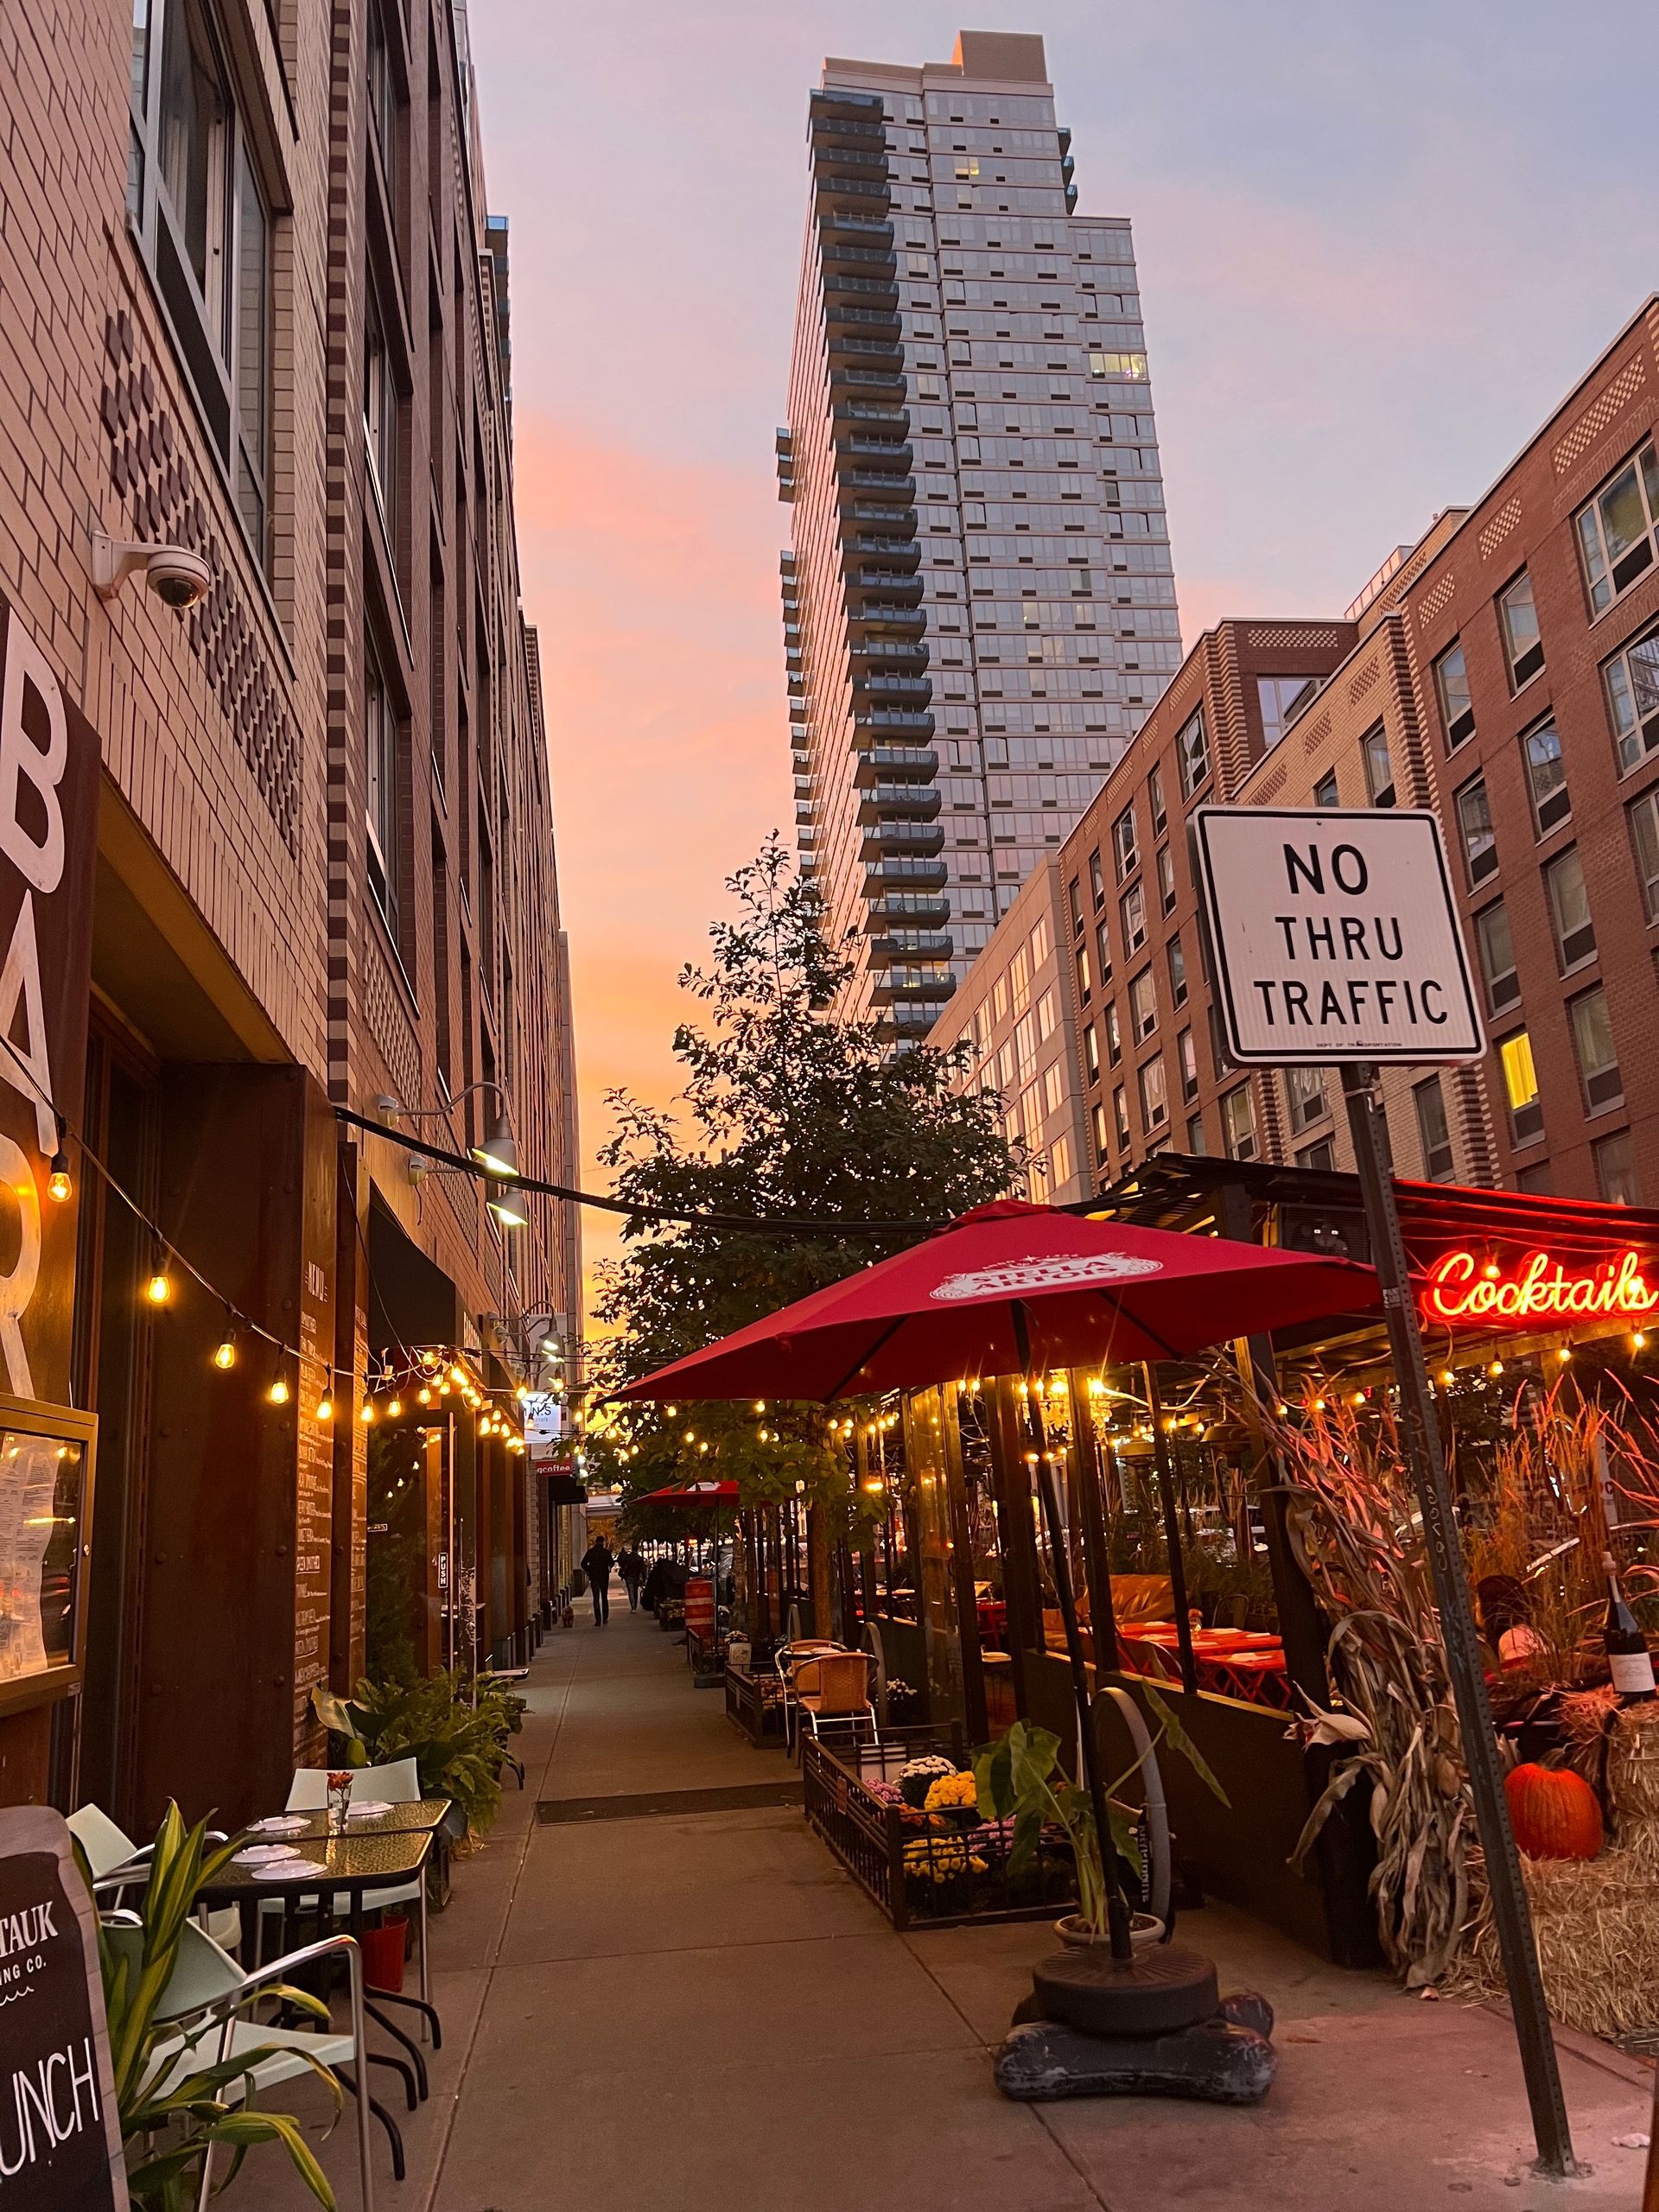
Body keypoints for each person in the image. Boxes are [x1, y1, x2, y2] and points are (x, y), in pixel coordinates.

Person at [581, 1535, 616, 1626]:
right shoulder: (606, 1553)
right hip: (604, 1577)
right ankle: (605, 1618)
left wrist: (590, 1570)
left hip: (594, 1577)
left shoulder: (590, 1552)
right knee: (604, 1597)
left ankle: (598, 1620)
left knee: (596, 1599)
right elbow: (612, 1563)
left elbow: (583, 1564)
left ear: (596, 1541)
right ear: (603, 1542)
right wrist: (608, 1567)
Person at [617, 1544, 647, 1611]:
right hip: (636, 1576)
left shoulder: (627, 1557)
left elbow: (622, 1564)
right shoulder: (639, 1558)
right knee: (635, 1592)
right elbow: (643, 1570)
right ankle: (635, 1606)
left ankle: (633, 1607)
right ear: (637, 1549)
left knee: (630, 1592)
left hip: (629, 1576)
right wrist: (643, 1579)